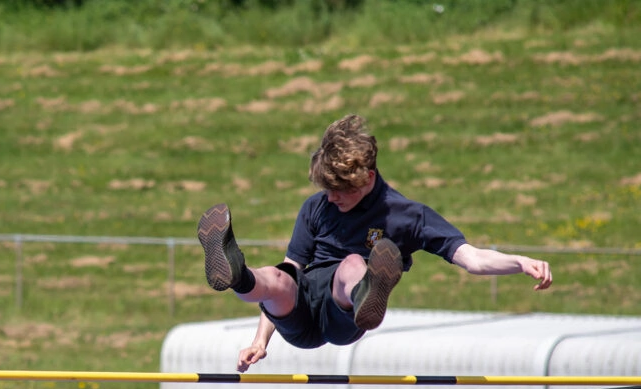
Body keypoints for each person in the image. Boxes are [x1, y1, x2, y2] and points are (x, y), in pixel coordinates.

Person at [197, 114, 553, 373]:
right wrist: (260, 342)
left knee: (353, 264)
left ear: (368, 177)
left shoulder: (408, 216)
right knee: (276, 277)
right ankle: (237, 275)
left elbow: (472, 259)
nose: (331, 197)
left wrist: (519, 262)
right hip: (301, 312)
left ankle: (367, 295)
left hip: (342, 315)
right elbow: (291, 271)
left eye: (340, 191)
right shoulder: (316, 207)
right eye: (327, 190)